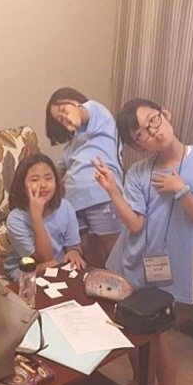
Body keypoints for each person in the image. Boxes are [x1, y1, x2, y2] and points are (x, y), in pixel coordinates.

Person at [94, 98, 193, 385]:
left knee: (158, 337)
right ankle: (141, 381)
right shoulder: (139, 172)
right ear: (138, 145)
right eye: (140, 134)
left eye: (152, 121)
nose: (152, 132)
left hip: (169, 271)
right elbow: (135, 224)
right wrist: (112, 191)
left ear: (165, 114)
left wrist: (181, 191)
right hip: (129, 261)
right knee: (126, 324)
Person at [46, 87, 124, 269]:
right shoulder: (71, 146)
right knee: (89, 250)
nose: (64, 118)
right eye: (59, 119)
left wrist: (76, 113)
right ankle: (97, 281)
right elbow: (57, 173)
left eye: (64, 110)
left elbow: (84, 112)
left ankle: (123, 284)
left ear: (75, 101)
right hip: (74, 204)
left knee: (114, 250)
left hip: (100, 195)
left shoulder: (99, 114)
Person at [4, 153, 86, 279]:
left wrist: (74, 252)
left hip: (57, 264)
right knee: (50, 264)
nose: (43, 185)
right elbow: (45, 258)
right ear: (23, 187)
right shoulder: (16, 219)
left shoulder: (65, 206)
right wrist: (36, 216)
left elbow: (73, 244)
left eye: (48, 178)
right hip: (25, 268)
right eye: (35, 180)